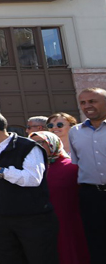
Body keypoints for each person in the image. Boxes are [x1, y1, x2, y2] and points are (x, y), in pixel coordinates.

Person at [0, 111, 58, 264]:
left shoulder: (28, 147)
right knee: (8, 259)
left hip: (31, 218)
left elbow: (33, 179)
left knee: (40, 258)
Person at [27, 131, 87, 264]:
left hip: (68, 220)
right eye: (32, 144)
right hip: (39, 221)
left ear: (52, 143)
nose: (36, 147)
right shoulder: (30, 169)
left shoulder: (71, 167)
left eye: (41, 142)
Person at [70, 87, 106, 261]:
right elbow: (76, 163)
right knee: (96, 242)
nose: (87, 106)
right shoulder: (75, 132)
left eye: (92, 101)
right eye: (83, 102)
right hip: (90, 195)